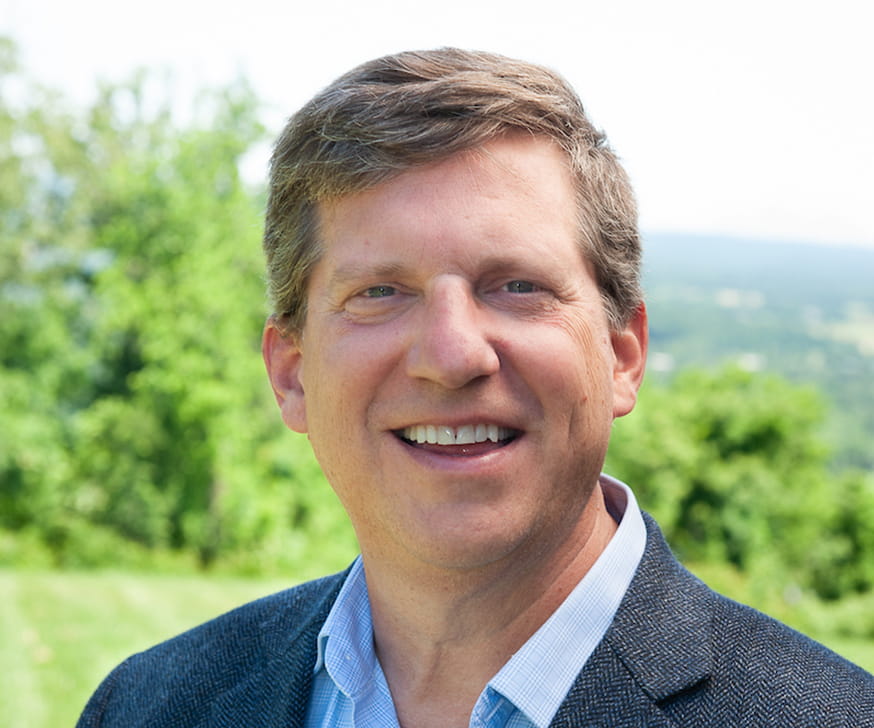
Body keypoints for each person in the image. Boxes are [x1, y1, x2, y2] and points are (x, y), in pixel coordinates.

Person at [77, 48, 873, 728]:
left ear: (622, 354)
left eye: (517, 286)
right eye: (379, 292)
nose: (453, 355)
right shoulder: (148, 706)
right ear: (291, 374)